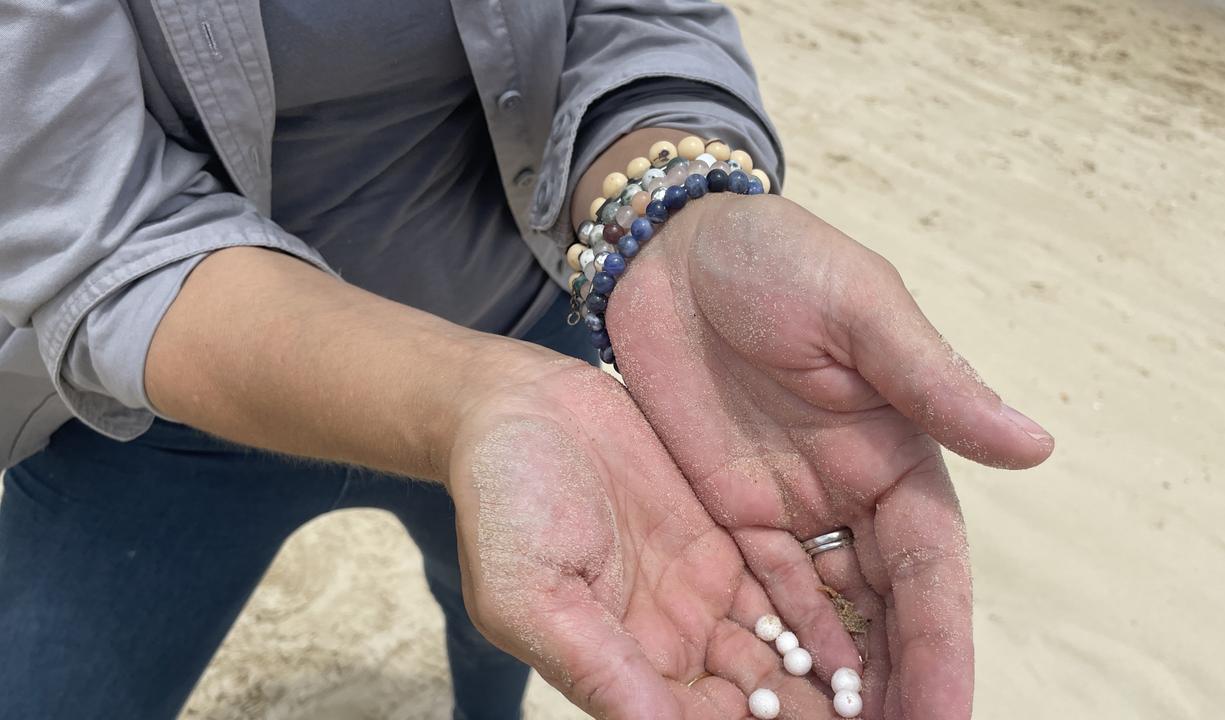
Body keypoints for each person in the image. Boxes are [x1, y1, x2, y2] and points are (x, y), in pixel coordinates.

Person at [0, 2, 1054, 719]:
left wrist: (674, 208)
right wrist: (465, 403)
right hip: (162, 413)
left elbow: (638, 15)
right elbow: (86, 222)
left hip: (539, 346)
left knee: (498, 642)